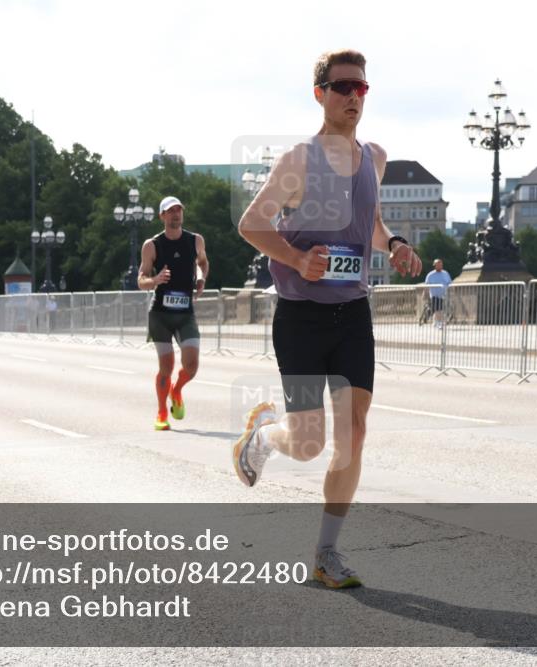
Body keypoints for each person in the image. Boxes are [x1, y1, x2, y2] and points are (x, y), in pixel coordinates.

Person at [233, 49, 422, 588]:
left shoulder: (374, 158)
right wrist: (295, 259)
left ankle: (326, 553)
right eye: (343, 87)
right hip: (300, 316)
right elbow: (252, 223)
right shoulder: (299, 160)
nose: (353, 97)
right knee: (309, 442)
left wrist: (396, 245)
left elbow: (375, 223)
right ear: (319, 93)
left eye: (361, 88)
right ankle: (264, 436)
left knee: (355, 434)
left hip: (352, 313)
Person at [138, 196, 209, 431]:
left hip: (185, 312)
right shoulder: (152, 245)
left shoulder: (195, 240)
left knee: (191, 365)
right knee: (166, 367)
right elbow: (141, 280)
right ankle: (161, 413)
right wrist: (155, 280)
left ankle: (176, 391)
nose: (176, 214)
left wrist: (201, 278)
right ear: (162, 216)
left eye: (179, 210)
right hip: (160, 315)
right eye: (170, 211)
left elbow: (202, 262)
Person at [424, 258, 452, 329]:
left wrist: (452, 291)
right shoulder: (430, 275)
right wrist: (425, 294)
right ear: (435, 265)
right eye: (438, 265)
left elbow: (450, 283)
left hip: (443, 295)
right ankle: (439, 323)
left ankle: (435, 322)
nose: (440, 266)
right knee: (438, 309)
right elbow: (426, 285)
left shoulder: (445, 273)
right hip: (434, 295)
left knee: (438, 310)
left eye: (441, 264)